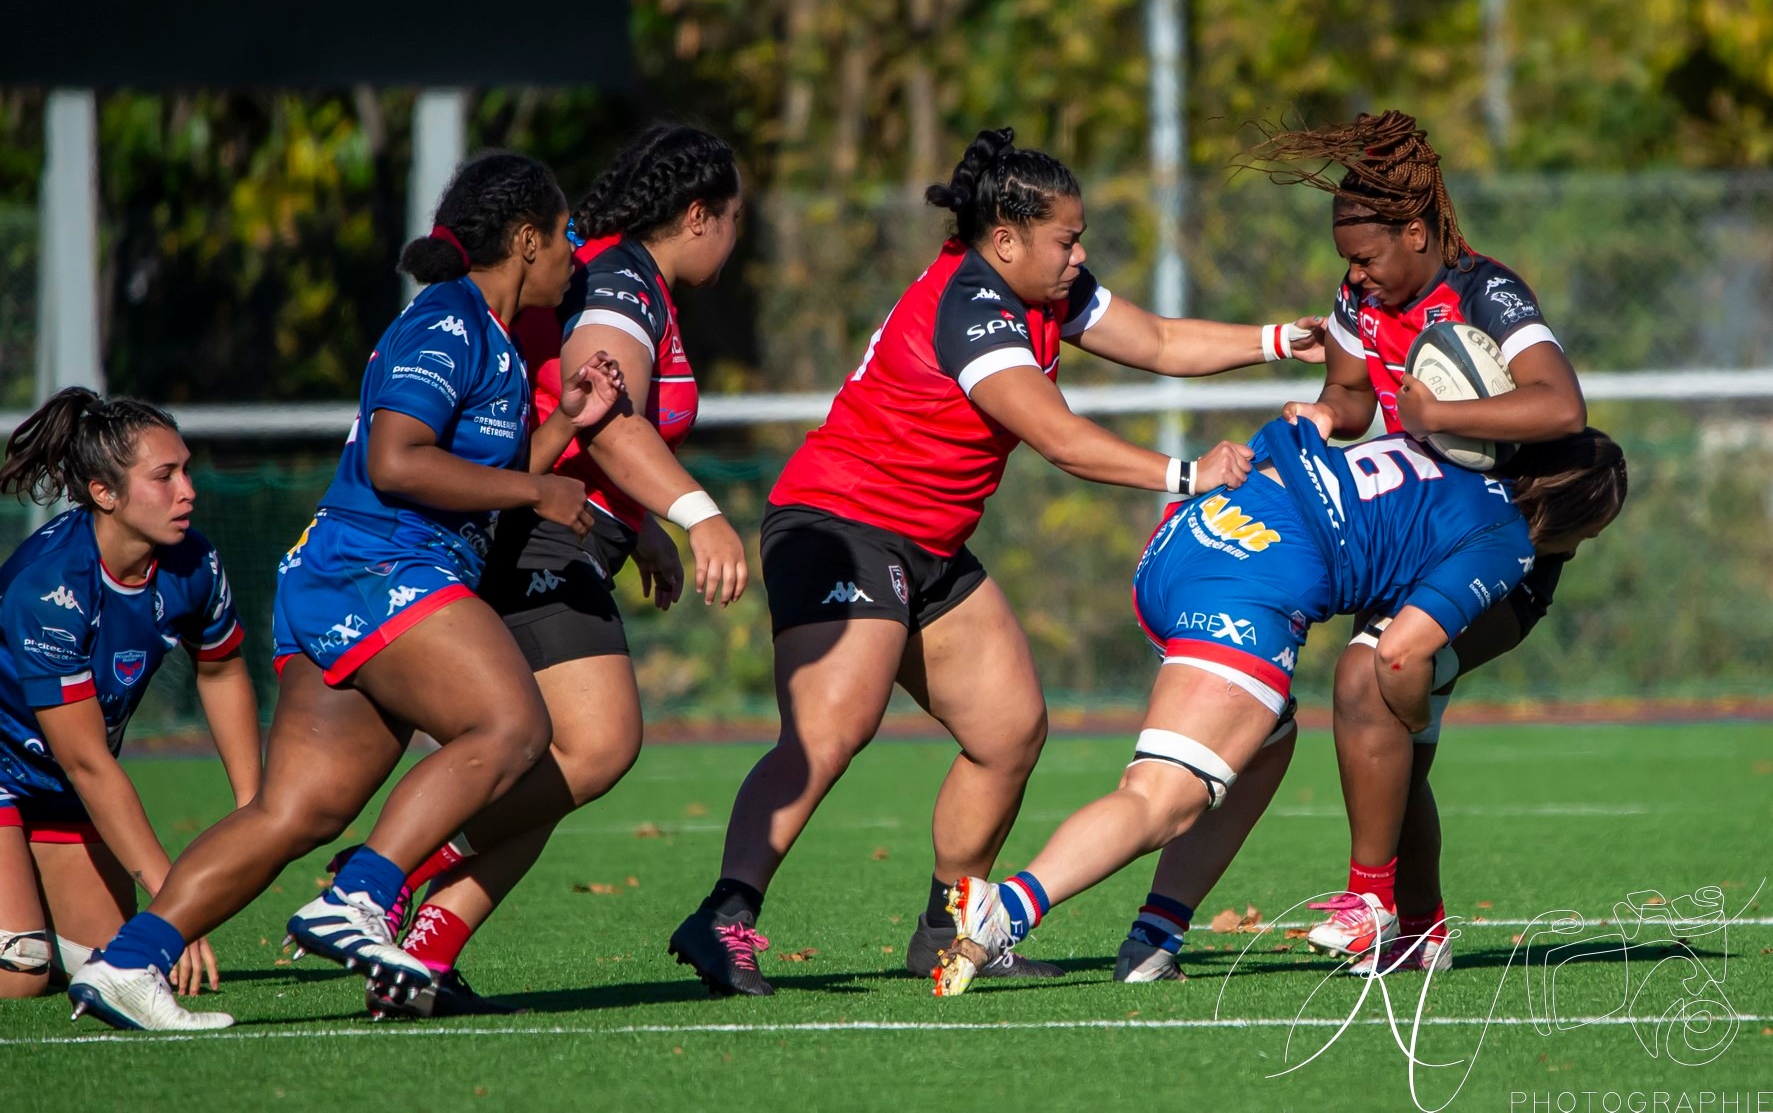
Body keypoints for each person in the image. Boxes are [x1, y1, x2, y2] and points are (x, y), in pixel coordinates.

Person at [670, 126, 1327, 997]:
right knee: (832, 729)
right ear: (1006, 238)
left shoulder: (1046, 292)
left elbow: (1163, 343)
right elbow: (1055, 436)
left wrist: (1286, 339)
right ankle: (724, 916)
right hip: (840, 523)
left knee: (1007, 731)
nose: (1078, 253)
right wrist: (1185, 475)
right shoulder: (972, 304)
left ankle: (948, 922)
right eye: (1065, 238)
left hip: (928, 543)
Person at [69, 150, 624, 1032]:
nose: (573, 257)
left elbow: (465, 470)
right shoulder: (446, 322)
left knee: (299, 810)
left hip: (354, 576)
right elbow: (397, 461)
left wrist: (559, 430)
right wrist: (538, 490)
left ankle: (131, 963)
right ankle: (363, 896)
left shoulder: (495, 340)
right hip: (376, 567)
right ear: (525, 240)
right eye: (562, 239)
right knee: (512, 726)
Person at [1115, 110, 1594, 982]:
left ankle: (1373, 901)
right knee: (1391, 730)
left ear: (1416, 231)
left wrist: (1440, 416)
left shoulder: (1490, 293)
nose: (1354, 273)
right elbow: (1346, 395)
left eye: (1368, 255)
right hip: (1406, 535)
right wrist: (1323, 415)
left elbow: (1560, 407)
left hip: (1495, 545)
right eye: (1346, 259)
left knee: (1367, 685)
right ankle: (1419, 924)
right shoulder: (1359, 298)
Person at [932, 417, 1628, 996]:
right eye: (1587, 535)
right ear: (1574, 516)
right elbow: (1399, 656)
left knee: (1266, 743)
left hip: (1193, 533)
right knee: (1161, 796)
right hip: (1248, 578)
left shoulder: (1437, 437)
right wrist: (1412, 716)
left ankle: (1152, 939)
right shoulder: (1505, 537)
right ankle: (1004, 912)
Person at [363, 124, 750, 1019]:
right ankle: (384, 874)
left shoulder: (629, 280)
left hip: (573, 535)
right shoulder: (618, 282)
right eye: (733, 220)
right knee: (597, 745)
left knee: (544, 761)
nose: (735, 238)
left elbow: (595, 421)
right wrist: (701, 516)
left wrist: (643, 524)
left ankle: (421, 956)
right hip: (540, 542)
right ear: (698, 216)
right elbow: (605, 417)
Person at [0, 388, 260, 1000]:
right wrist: (174, 906)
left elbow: (221, 670)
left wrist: (257, 810)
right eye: (164, 476)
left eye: (187, 470)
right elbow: (88, 762)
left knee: (132, 969)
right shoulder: (50, 588)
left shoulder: (194, 563)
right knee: (23, 976)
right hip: (28, 773)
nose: (188, 490)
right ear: (104, 493)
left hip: (58, 789)